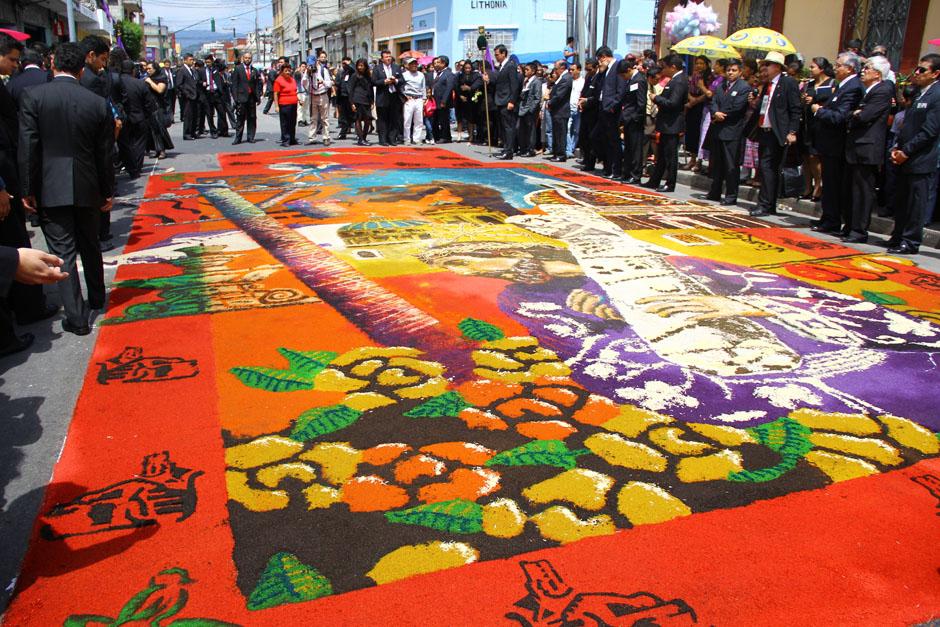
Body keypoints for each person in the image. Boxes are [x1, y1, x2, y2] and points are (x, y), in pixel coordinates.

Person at [19, 41, 114, 336]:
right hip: (88, 184)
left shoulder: (34, 96)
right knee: (90, 244)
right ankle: (97, 298)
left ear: (52, 64)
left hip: (50, 185)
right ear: (81, 69)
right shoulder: (96, 102)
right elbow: (105, 154)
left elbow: (28, 146)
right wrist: (107, 191)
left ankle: (76, 317)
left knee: (63, 252)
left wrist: (27, 188)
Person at [888, 53, 940, 254]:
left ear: (935, 73)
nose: (916, 73)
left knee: (915, 203)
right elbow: (908, 125)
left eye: (922, 70)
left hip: (920, 158)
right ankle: (898, 236)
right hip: (904, 156)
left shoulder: (936, 95)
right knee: (902, 200)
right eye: (916, 68)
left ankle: (910, 241)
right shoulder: (919, 92)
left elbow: (929, 131)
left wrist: (906, 151)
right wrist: (897, 147)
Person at [810, 52, 864, 233]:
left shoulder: (853, 87)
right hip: (828, 144)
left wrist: (819, 111)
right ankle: (828, 217)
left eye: (839, 65)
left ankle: (832, 220)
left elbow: (840, 116)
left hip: (836, 145)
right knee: (829, 183)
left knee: (834, 184)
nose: (835, 68)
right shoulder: (842, 85)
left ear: (850, 69)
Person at [842, 56, 893, 243]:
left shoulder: (883, 90)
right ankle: (850, 226)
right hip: (856, 146)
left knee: (862, 191)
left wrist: (856, 115)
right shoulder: (867, 91)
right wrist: (854, 114)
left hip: (867, 148)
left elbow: (864, 116)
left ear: (877, 74)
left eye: (867, 68)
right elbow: (853, 114)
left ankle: (859, 230)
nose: (863, 71)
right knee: (851, 189)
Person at [745, 52, 801, 217]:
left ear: (777, 67)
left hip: (777, 133)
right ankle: (768, 203)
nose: (765, 68)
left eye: (768, 65)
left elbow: (795, 108)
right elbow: (764, 107)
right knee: (766, 168)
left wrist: (792, 131)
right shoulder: (768, 85)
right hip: (764, 130)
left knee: (768, 167)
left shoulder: (788, 82)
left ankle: (765, 204)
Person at [705, 58, 750, 205]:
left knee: (731, 165)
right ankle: (715, 192)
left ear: (740, 72)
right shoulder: (721, 86)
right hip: (718, 129)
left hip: (732, 130)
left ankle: (731, 196)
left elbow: (738, 107)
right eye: (728, 70)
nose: (730, 73)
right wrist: (715, 112)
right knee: (717, 163)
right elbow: (713, 102)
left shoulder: (744, 87)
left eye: (734, 70)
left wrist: (721, 114)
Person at [644, 53, 689, 192]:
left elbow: (673, 103)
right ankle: (654, 180)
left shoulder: (679, 81)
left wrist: (656, 98)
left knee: (670, 156)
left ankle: (670, 183)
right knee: (662, 155)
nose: (663, 71)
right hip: (666, 124)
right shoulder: (673, 80)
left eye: (665, 67)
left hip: (672, 124)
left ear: (673, 67)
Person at [800, 57, 835, 201]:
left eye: (813, 67)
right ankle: (807, 186)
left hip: (821, 124)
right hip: (807, 123)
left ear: (821, 69)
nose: (810, 69)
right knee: (805, 156)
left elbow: (832, 102)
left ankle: (818, 186)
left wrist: (816, 101)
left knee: (814, 156)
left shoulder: (832, 83)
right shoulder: (809, 84)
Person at [592, 46, 626, 178]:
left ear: (604, 57)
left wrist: (612, 106)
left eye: (600, 59)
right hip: (602, 108)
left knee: (613, 141)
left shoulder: (617, 67)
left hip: (611, 110)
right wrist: (600, 72)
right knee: (599, 138)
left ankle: (615, 169)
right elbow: (596, 86)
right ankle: (607, 166)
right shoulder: (605, 70)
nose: (599, 62)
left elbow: (620, 91)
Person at [117, 59, 152, 179]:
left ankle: (128, 165)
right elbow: (148, 103)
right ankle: (136, 166)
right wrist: (147, 115)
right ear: (133, 70)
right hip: (139, 116)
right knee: (140, 143)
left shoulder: (116, 81)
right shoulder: (140, 83)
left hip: (122, 117)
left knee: (125, 143)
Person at [487, 44, 520, 160]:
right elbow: (499, 83)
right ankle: (506, 148)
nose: (496, 57)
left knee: (508, 127)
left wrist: (512, 101)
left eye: (497, 55)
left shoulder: (510, 66)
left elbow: (514, 85)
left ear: (503, 54)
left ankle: (509, 150)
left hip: (507, 101)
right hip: (500, 100)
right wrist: (489, 81)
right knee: (503, 127)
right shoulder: (501, 67)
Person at [619, 57, 647, 183]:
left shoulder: (639, 80)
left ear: (629, 70)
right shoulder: (631, 80)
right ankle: (627, 172)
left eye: (623, 75)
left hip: (634, 120)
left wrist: (635, 118)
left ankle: (635, 174)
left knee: (636, 149)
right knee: (629, 147)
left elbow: (641, 102)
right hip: (628, 118)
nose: (623, 78)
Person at [684, 55, 711, 172]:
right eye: (697, 63)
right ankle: (692, 159)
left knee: (700, 134)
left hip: (702, 106)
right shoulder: (694, 75)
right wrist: (690, 100)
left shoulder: (709, 77)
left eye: (701, 63)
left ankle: (699, 161)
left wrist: (695, 101)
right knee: (691, 133)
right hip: (691, 104)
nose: (699, 65)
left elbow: (708, 93)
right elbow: (688, 89)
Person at [143, 61, 173, 159]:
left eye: (150, 69)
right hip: (149, 107)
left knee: (159, 129)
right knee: (152, 130)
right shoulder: (148, 78)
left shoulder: (161, 78)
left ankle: (162, 150)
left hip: (158, 107)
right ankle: (157, 149)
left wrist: (150, 82)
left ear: (155, 69)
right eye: (146, 69)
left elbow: (160, 90)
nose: (148, 71)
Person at [371, 50, 403, 146]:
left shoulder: (396, 67)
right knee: (382, 119)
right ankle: (383, 139)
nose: (388, 58)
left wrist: (395, 80)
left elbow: (402, 80)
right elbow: (374, 81)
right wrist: (384, 81)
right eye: (386, 57)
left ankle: (392, 139)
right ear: (382, 59)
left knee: (394, 119)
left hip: (394, 96)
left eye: (389, 56)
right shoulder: (377, 68)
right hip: (382, 96)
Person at [231, 51, 262, 145]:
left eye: (249, 58)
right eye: (246, 58)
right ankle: (238, 138)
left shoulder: (254, 70)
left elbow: (257, 84)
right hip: (241, 97)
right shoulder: (238, 69)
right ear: (243, 59)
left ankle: (251, 137)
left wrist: (258, 96)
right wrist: (236, 98)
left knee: (252, 118)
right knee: (240, 119)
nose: (247, 59)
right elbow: (234, 85)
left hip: (251, 98)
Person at [577, 58, 601, 171]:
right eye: (586, 69)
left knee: (591, 138)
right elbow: (584, 91)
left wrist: (587, 101)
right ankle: (586, 158)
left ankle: (591, 162)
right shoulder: (588, 77)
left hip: (593, 112)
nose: (588, 71)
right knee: (583, 137)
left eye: (590, 69)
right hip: (585, 111)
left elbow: (597, 96)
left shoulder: (598, 77)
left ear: (596, 67)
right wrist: (581, 102)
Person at [547, 62, 572, 162]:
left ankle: (561, 155)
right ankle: (556, 152)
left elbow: (559, 95)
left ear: (562, 68)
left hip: (561, 111)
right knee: (556, 133)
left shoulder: (566, 78)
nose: (555, 71)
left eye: (556, 68)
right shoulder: (561, 78)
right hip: (557, 111)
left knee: (561, 134)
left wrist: (550, 102)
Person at [517, 62, 543, 157]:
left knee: (530, 131)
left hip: (530, 110)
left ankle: (530, 149)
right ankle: (523, 148)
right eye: (525, 69)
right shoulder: (526, 81)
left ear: (533, 71)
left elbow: (537, 98)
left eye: (527, 70)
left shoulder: (536, 82)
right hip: (522, 109)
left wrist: (531, 110)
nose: (525, 71)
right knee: (521, 129)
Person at [308, 51, 332, 145]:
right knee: (313, 118)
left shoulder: (323, 70)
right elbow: (304, 83)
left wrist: (323, 82)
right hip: (313, 96)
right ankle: (312, 137)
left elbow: (329, 84)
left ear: (317, 62)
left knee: (324, 118)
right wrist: (307, 73)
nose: (312, 66)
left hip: (322, 95)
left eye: (313, 64)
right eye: (310, 64)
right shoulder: (308, 72)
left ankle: (326, 137)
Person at [431, 56, 456, 144]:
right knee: (437, 119)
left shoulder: (449, 74)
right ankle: (438, 136)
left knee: (444, 120)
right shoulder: (440, 73)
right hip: (436, 100)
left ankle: (445, 137)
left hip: (443, 101)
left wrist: (444, 101)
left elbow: (449, 88)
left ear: (443, 63)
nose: (436, 64)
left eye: (438, 62)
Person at [349, 59, 374, 146]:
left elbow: (370, 89)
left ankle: (364, 138)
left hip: (367, 100)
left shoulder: (368, 76)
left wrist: (372, 101)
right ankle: (361, 139)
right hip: (357, 99)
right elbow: (351, 90)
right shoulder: (354, 76)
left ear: (365, 66)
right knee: (358, 119)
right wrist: (351, 103)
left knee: (368, 120)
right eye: (359, 65)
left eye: (362, 66)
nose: (360, 67)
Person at [401, 57, 426, 144]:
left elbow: (423, 87)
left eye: (415, 63)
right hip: (409, 99)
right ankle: (406, 139)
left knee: (419, 121)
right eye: (412, 64)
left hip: (419, 99)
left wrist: (424, 98)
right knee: (407, 120)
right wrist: (404, 96)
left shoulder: (421, 75)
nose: (414, 65)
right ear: (408, 65)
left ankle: (416, 139)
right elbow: (401, 87)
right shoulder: (404, 75)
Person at [273, 63, 298, 147]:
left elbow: (295, 91)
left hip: (293, 103)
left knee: (292, 122)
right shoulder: (278, 80)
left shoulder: (292, 79)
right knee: (285, 123)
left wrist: (299, 99)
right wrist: (276, 106)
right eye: (286, 71)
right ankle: (285, 140)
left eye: (289, 70)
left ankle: (292, 139)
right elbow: (275, 94)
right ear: (282, 71)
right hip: (284, 104)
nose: (288, 72)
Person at [456, 61, 480, 142]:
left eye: (469, 68)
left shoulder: (475, 76)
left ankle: (471, 135)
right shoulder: (459, 76)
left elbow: (476, 86)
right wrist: (460, 95)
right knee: (459, 118)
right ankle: (459, 135)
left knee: (470, 118)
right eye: (466, 68)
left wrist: (469, 88)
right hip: (460, 99)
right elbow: (456, 86)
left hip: (470, 99)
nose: (467, 70)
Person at [176, 54, 199, 140]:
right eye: (190, 60)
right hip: (188, 97)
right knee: (188, 116)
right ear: (185, 60)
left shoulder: (191, 70)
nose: (192, 61)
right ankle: (187, 133)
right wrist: (187, 94)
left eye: (193, 60)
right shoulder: (182, 70)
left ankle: (192, 132)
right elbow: (179, 84)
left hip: (194, 96)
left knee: (194, 115)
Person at [566, 63, 583, 158]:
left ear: (579, 70)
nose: (571, 71)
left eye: (573, 69)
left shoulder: (583, 82)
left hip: (578, 109)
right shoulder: (568, 81)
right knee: (567, 129)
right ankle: (568, 150)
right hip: (568, 108)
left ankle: (572, 148)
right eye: (570, 69)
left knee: (576, 130)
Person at [335, 57, 354, 140]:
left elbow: (353, 68)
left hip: (351, 96)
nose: (344, 65)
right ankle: (343, 133)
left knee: (354, 115)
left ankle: (359, 133)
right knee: (343, 116)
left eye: (345, 63)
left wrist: (349, 64)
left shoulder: (352, 71)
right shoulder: (342, 72)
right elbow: (337, 82)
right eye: (343, 63)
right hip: (342, 96)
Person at [162, 59, 176, 123]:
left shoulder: (173, 71)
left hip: (172, 90)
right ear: (164, 65)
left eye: (168, 65)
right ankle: (169, 118)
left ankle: (172, 117)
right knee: (168, 105)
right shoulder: (162, 72)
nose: (167, 66)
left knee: (173, 104)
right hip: (166, 90)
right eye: (166, 65)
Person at [295, 61, 309, 127]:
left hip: (306, 93)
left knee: (305, 108)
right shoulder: (298, 74)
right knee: (300, 108)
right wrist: (298, 71)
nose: (304, 68)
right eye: (302, 66)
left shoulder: (306, 74)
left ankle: (304, 119)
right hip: (300, 93)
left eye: (305, 67)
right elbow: (296, 75)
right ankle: (300, 120)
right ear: (300, 67)